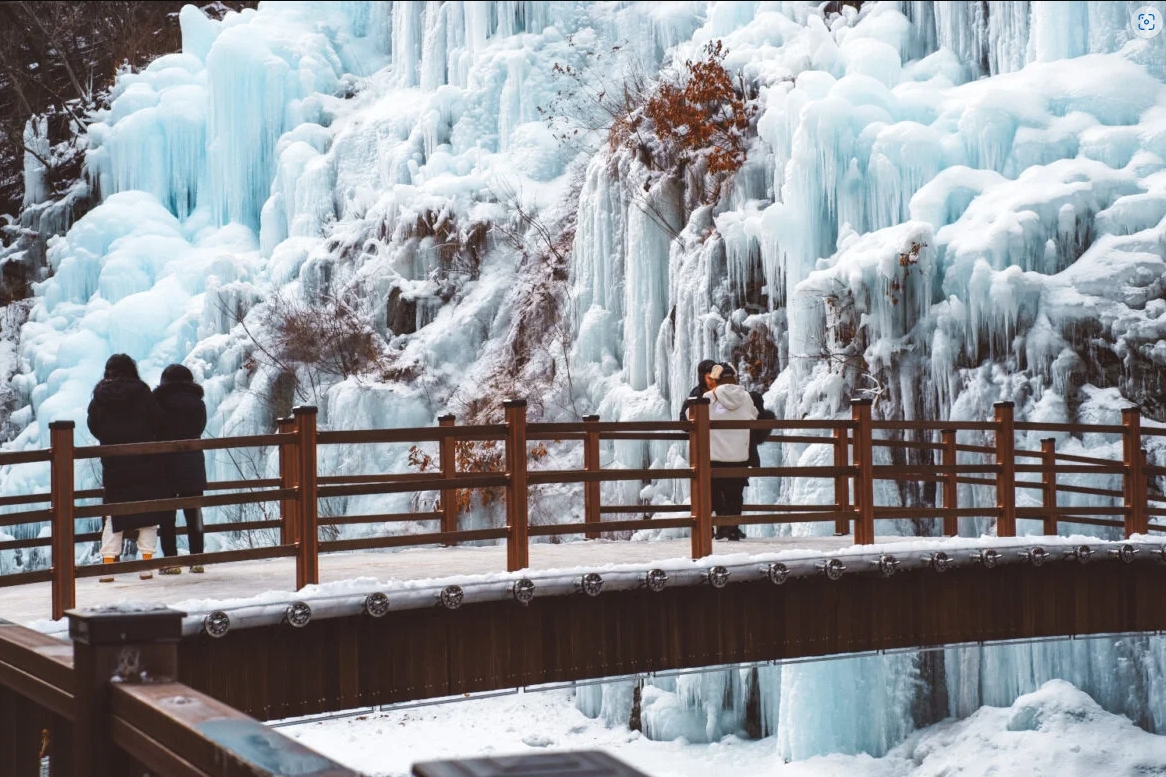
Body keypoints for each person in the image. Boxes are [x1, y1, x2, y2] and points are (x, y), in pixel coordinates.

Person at [87, 354, 169, 581]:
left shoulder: (100, 395)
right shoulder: (142, 392)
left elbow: (93, 424)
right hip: (144, 459)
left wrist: (110, 439)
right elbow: (158, 419)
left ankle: (108, 566)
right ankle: (146, 565)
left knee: (114, 512)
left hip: (114, 461)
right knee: (147, 511)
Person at [153, 364, 208, 575]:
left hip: (164, 463)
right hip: (192, 461)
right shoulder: (198, 404)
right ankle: (197, 559)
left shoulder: (158, 402)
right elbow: (199, 428)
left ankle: (171, 560)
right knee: (193, 511)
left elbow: (155, 429)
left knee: (167, 514)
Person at [704, 363, 757, 541]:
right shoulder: (746, 397)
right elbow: (754, 415)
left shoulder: (709, 397)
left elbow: (691, 416)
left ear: (716, 380)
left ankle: (719, 529)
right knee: (735, 495)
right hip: (739, 456)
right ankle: (733, 529)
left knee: (715, 494)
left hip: (715, 456)